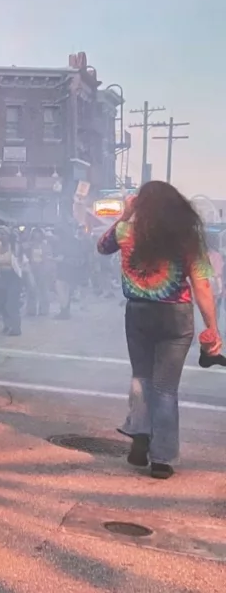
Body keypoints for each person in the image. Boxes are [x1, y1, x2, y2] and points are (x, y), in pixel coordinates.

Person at [98, 183, 221, 479]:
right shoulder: (187, 236)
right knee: (165, 388)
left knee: (141, 379)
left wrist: (125, 215)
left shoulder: (127, 231)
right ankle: (162, 459)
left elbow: (102, 246)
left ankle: (140, 438)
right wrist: (213, 328)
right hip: (175, 317)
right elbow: (201, 284)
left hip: (138, 312)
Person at [0, 227, 22, 336]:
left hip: (13, 277)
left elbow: (20, 262)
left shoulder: (13, 246)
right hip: (1, 277)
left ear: (8, 235)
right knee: (2, 303)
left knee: (12, 303)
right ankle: (7, 324)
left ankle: (16, 327)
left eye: (3, 234)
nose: (0, 236)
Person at [24, 227, 52, 316]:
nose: (37, 235)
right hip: (31, 269)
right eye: (35, 233)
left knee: (43, 289)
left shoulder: (45, 245)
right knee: (31, 289)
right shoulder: (28, 245)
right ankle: (31, 309)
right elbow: (24, 256)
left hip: (43, 269)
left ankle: (44, 309)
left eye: (38, 233)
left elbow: (48, 257)